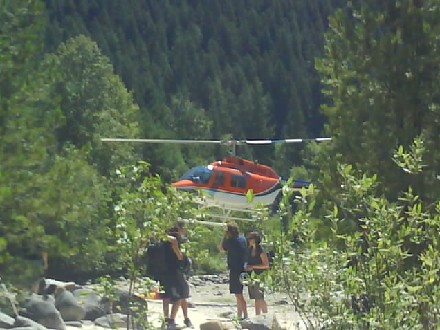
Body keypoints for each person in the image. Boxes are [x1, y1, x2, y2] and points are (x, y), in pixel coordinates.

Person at [160, 224, 193, 329]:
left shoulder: (164, 240)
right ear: (179, 229)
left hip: (164, 271)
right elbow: (179, 256)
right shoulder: (176, 240)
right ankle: (171, 320)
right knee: (181, 296)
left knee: (167, 296)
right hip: (175, 271)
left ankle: (167, 319)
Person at [219, 222, 248, 320]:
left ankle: (245, 314)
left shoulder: (230, 241)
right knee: (239, 292)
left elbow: (221, 249)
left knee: (238, 294)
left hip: (235, 269)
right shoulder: (243, 239)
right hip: (244, 268)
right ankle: (239, 315)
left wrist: (224, 236)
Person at [244, 231, 269, 315]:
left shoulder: (261, 251)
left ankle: (265, 314)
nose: (249, 240)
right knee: (255, 297)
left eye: (250, 238)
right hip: (251, 276)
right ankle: (257, 315)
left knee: (260, 297)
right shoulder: (249, 250)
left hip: (260, 276)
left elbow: (266, 265)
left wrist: (253, 266)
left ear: (255, 240)